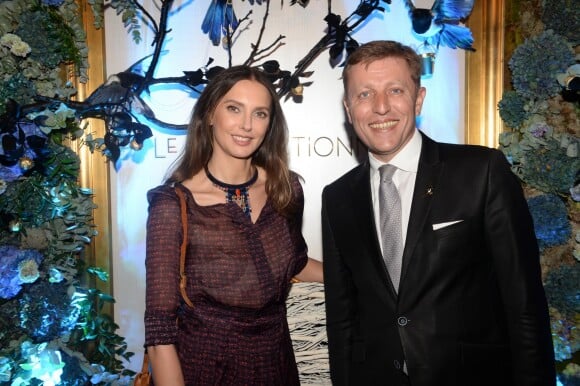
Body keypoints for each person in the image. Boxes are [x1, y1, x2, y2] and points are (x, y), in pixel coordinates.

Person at [321, 40, 555, 386]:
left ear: (418, 98)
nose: (381, 107)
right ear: (348, 106)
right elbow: (342, 319)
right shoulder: (337, 197)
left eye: (395, 90)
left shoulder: (481, 171)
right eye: (364, 94)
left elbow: (524, 304)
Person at [144, 65, 323, 385]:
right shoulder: (173, 206)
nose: (246, 125)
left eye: (260, 114)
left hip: (275, 364)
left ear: (270, 124)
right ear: (210, 114)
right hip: (207, 368)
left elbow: (294, 263)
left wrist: (362, 276)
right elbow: (160, 335)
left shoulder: (286, 189)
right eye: (234, 108)